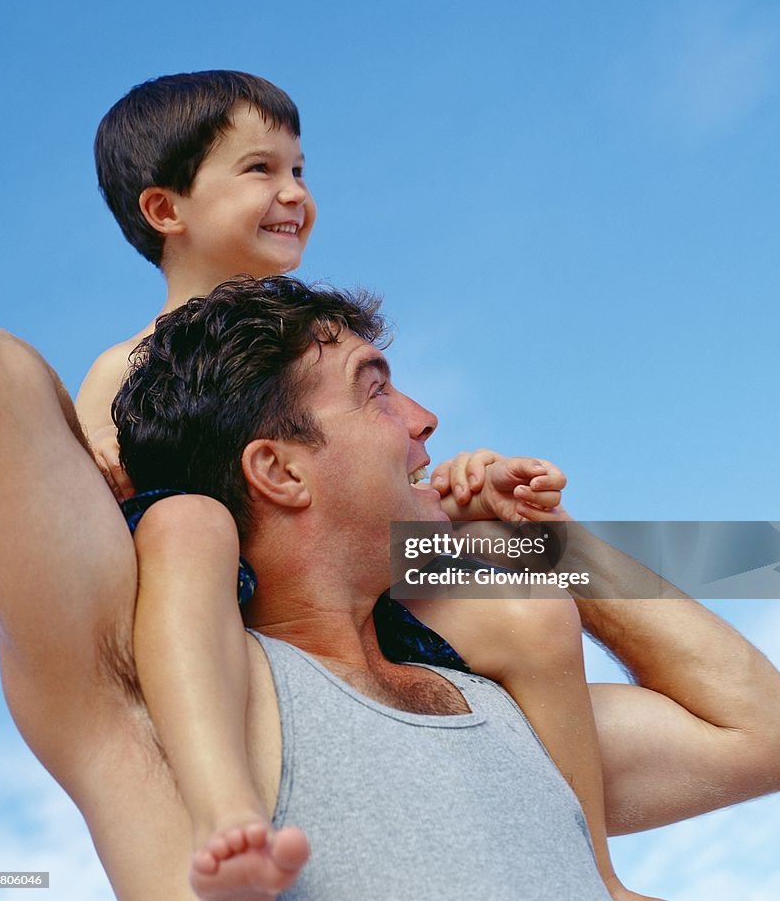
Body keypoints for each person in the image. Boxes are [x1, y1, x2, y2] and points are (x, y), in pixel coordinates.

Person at [0, 283, 780, 900]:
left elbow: (769, 734)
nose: (424, 418)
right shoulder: (162, 700)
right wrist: (106, 461)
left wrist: (544, 543)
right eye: (376, 389)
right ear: (280, 470)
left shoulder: (505, 704)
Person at [75, 71, 641, 900]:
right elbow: (104, 506)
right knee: (187, 523)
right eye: (259, 170)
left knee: (531, 601)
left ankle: (595, 872)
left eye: (299, 171)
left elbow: (361, 491)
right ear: (166, 211)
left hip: (363, 590)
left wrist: (459, 492)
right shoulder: (124, 368)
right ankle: (223, 804)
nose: (292, 193)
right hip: (227, 599)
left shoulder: (311, 340)